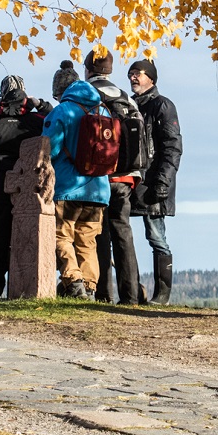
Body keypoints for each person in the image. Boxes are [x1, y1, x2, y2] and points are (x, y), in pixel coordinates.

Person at [0, 75, 52, 300]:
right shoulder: (37, 120)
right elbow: (54, 118)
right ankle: (28, 287)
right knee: (31, 235)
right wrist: (40, 104)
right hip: (30, 187)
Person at [42, 77, 111, 298]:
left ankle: (74, 282)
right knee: (87, 242)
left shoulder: (63, 110)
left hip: (67, 188)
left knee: (61, 236)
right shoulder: (104, 111)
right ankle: (90, 288)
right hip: (98, 190)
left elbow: (49, 148)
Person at [85, 49, 143, 304]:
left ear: (88, 69)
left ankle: (103, 294)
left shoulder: (85, 94)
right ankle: (130, 296)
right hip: (125, 176)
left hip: (98, 175)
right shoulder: (126, 98)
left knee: (99, 235)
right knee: (123, 234)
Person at [128, 59, 182, 305]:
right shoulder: (128, 106)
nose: (133, 78)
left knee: (156, 237)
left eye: (138, 74)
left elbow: (172, 147)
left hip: (152, 182)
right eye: (131, 74)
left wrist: (163, 182)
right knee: (121, 236)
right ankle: (131, 290)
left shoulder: (162, 106)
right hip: (131, 181)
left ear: (151, 77)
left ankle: (162, 295)